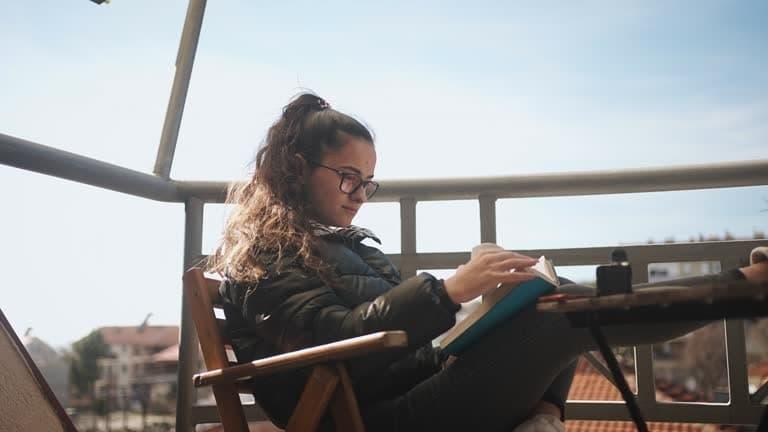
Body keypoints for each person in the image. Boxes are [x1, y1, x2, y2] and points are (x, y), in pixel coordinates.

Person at [207, 93, 768, 432]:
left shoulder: (344, 244)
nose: (359, 193)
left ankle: (543, 418)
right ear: (297, 169)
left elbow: (384, 336)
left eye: (368, 182)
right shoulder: (265, 254)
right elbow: (331, 339)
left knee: (549, 296)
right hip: (363, 419)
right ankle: (741, 287)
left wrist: (480, 304)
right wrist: (447, 292)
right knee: (561, 316)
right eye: (347, 177)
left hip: (401, 389)